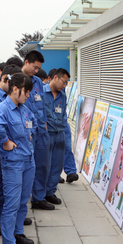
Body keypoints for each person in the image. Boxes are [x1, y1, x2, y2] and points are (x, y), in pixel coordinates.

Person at [0, 73, 37, 244]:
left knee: (23, 200)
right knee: (11, 203)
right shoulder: (3, 108)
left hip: (28, 159)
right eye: (26, 92)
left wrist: (30, 134)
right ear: (16, 89)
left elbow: (31, 124)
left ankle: (18, 232)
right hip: (13, 161)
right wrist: (6, 141)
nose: (28, 95)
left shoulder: (24, 108)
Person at [0, 65, 29, 236]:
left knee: (12, 193)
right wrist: (6, 141)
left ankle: (10, 224)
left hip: (18, 152)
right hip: (2, 151)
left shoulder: (18, 102)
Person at [21, 51, 53, 210]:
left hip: (41, 131)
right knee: (25, 170)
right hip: (25, 134)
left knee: (42, 165)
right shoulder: (15, 81)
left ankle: (39, 198)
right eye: (35, 67)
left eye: (38, 68)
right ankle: (21, 205)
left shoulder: (38, 83)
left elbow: (43, 105)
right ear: (26, 62)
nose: (36, 71)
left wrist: (45, 123)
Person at [44, 68, 70, 205]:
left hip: (59, 133)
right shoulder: (42, 92)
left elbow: (63, 113)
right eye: (63, 82)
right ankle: (39, 195)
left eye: (66, 83)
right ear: (55, 77)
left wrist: (62, 126)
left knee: (57, 165)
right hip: (46, 134)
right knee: (44, 165)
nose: (64, 85)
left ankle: (50, 192)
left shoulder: (62, 95)